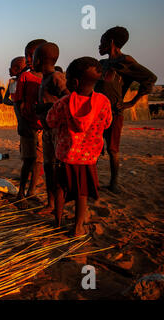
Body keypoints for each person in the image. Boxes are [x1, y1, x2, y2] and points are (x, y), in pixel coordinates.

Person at [46, 57, 112, 236]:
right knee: (82, 193)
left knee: (60, 188)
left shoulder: (63, 103)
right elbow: (107, 123)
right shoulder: (103, 102)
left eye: (67, 79)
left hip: (65, 156)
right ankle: (77, 228)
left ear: (74, 82)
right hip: (88, 158)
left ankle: (57, 223)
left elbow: (51, 121)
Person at [95, 26, 157, 193]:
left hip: (114, 112)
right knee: (93, 146)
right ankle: (90, 181)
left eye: (102, 42)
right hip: (97, 113)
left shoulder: (125, 61)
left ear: (111, 42)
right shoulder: (102, 64)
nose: (99, 46)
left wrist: (131, 102)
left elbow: (150, 78)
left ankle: (114, 182)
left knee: (112, 149)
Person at [33, 42, 70, 214]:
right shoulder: (45, 79)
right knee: (48, 167)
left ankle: (58, 204)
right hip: (47, 130)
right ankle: (51, 203)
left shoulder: (56, 77)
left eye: (33, 57)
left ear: (39, 60)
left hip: (57, 130)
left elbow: (68, 99)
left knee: (56, 168)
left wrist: (44, 108)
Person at [12, 39, 47, 208]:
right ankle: (20, 193)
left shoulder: (50, 77)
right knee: (28, 159)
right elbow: (17, 103)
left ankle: (31, 191)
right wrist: (22, 123)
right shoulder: (25, 77)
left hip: (43, 127)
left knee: (39, 160)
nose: (27, 59)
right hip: (28, 126)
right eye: (26, 55)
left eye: (31, 55)